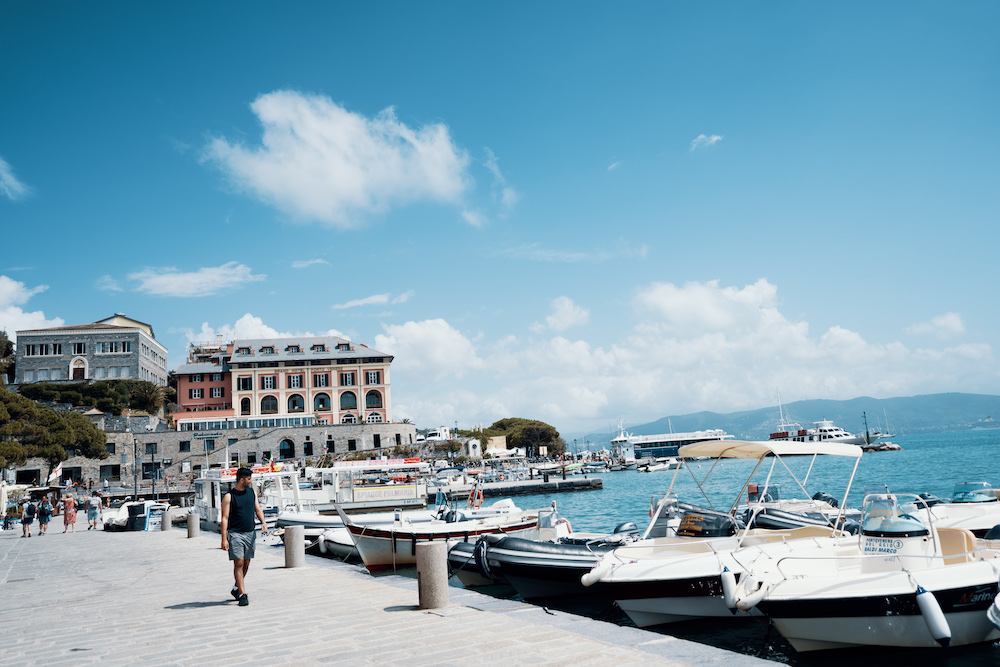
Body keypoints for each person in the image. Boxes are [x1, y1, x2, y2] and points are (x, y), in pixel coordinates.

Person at [221, 467, 267, 607]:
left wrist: (263, 522)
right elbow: (224, 518)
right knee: (239, 562)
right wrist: (224, 539)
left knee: (246, 564)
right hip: (235, 533)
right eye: (249, 479)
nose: (250, 481)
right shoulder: (229, 496)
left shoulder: (251, 492)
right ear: (242, 480)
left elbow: (257, 509)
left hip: (250, 532)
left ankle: (236, 588)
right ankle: (243, 594)